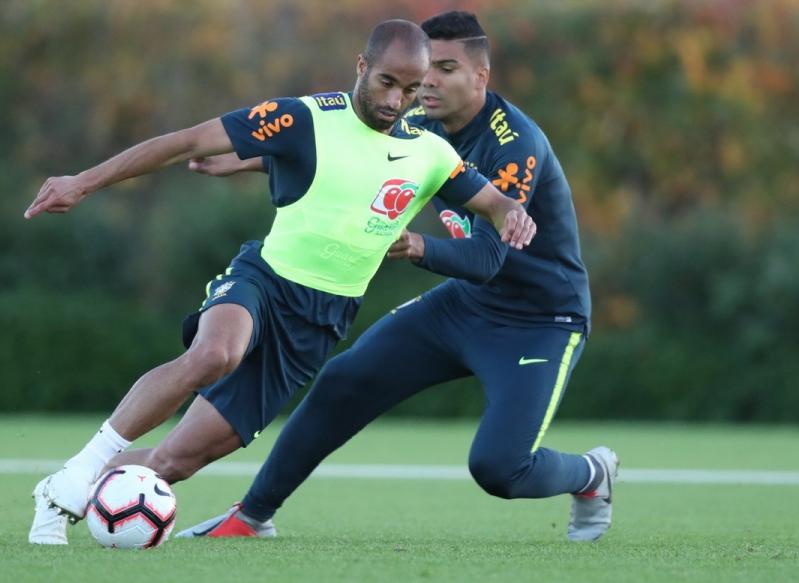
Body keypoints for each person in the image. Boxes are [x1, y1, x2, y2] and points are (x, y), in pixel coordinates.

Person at [27, 19, 535, 545]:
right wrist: (82, 183)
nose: (397, 99)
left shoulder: (429, 153)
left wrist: (510, 214)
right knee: (215, 354)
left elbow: (490, 201)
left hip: (318, 324)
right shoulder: (302, 117)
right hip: (264, 281)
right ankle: (86, 467)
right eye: (387, 82)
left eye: (410, 89)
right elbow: (186, 142)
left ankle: (56, 491)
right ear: (362, 67)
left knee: (173, 460)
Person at [176, 11, 617, 543]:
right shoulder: (416, 121)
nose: (427, 81)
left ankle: (593, 475)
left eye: (447, 69)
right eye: (427, 67)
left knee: (499, 468)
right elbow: (347, 160)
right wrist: (249, 162)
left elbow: (487, 258)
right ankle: (251, 517)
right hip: (466, 305)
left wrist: (415, 246)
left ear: (481, 76)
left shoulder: (514, 143)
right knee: (343, 381)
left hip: (542, 319)